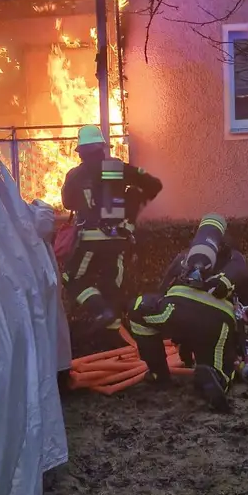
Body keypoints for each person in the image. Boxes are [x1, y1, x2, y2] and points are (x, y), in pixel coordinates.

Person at [60, 124, 162, 350]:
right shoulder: (118, 168)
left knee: (72, 278)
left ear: (81, 152)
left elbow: (67, 203)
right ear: (102, 148)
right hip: (118, 240)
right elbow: (154, 185)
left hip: (90, 239)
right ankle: (113, 344)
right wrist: (131, 207)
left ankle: (100, 311)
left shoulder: (75, 175)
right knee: (111, 288)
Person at [127, 273, 248, 413]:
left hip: (178, 307)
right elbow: (243, 325)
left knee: (137, 311)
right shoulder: (236, 265)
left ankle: (158, 375)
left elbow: (163, 289)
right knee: (221, 367)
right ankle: (218, 378)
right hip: (218, 322)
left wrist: (183, 342)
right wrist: (238, 352)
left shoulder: (184, 260)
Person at [157, 213, 248, 351]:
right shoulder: (235, 259)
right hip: (218, 325)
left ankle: (184, 350)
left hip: (182, 320)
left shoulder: (185, 258)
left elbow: (162, 289)